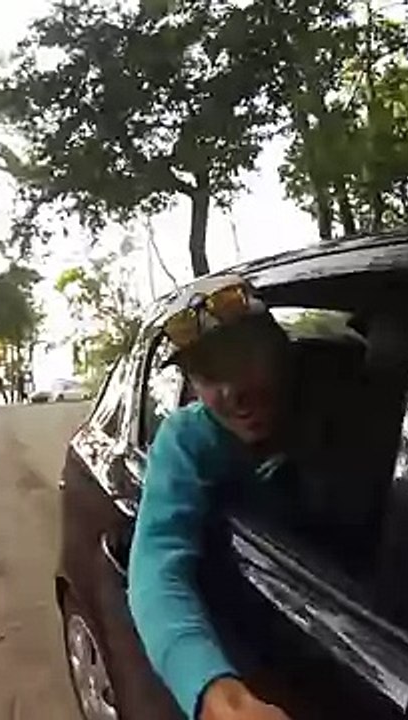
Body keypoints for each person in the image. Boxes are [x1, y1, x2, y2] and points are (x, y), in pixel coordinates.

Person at [128, 275, 294, 720]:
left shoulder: (334, 408)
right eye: (208, 375)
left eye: (243, 359)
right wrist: (219, 697)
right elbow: (157, 567)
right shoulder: (187, 440)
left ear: (278, 350)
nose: (232, 392)